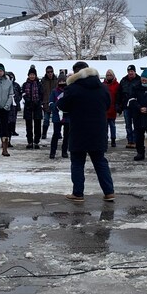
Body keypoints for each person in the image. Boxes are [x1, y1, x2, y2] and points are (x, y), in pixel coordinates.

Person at [55, 62, 115, 202]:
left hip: (79, 130)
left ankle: (78, 193)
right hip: (99, 130)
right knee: (100, 161)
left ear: (76, 73)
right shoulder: (102, 87)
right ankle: (109, 192)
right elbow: (107, 104)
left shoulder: (73, 88)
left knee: (77, 162)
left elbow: (62, 106)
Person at [21, 65, 44, 149]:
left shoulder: (39, 84)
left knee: (37, 125)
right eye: (30, 74)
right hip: (28, 107)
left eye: (33, 75)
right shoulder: (25, 84)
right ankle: (29, 141)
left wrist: (39, 102)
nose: (32, 76)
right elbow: (23, 94)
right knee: (29, 126)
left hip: (37, 106)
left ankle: (36, 141)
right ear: (28, 75)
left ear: (35, 75)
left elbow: (42, 94)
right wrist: (27, 100)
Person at [117, 64, 139, 149]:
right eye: (129, 71)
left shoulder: (139, 80)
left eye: (132, 71)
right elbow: (119, 93)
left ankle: (135, 140)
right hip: (126, 106)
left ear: (134, 71)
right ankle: (130, 140)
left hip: (136, 106)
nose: (130, 73)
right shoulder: (123, 80)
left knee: (136, 124)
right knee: (128, 124)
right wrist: (118, 105)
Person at [48, 72, 69, 159]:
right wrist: (56, 107)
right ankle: (52, 152)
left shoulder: (68, 91)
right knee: (56, 134)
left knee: (67, 135)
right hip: (57, 116)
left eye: (63, 81)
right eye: (60, 81)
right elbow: (50, 102)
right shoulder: (54, 91)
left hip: (67, 116)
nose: (62, 83)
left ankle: (64, 151)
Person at [102, 69, 120, 148]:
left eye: (110, 75)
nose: (109, 76)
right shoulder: (102, 85)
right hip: (104, 108)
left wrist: (118, 106)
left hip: (113, 107)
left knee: (112, 125)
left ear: (113, 76)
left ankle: (113, 140)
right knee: (104, 126)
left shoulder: (117, 85)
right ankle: (105, 140)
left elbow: (118, 96)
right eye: (107, 75)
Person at [40, 65, 58, 140]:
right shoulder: (43, 81)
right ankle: (44, 133)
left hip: (55, 103)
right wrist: (41, 102)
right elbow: (41, 92)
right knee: (46, 119)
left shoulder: (56, 80)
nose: (50, 73)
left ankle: (57, 133)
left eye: (51, 72)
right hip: (46, 102)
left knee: (56, 120)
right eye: (48, 72)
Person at [6, 71, 22, 146]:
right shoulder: (4, 85)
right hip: (6, 107)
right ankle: (6, 140)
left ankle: (11, 135)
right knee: (6, 124)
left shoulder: (16, 85)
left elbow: (20, 93)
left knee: (12, 121)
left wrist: (17, 99)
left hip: (14, 106)